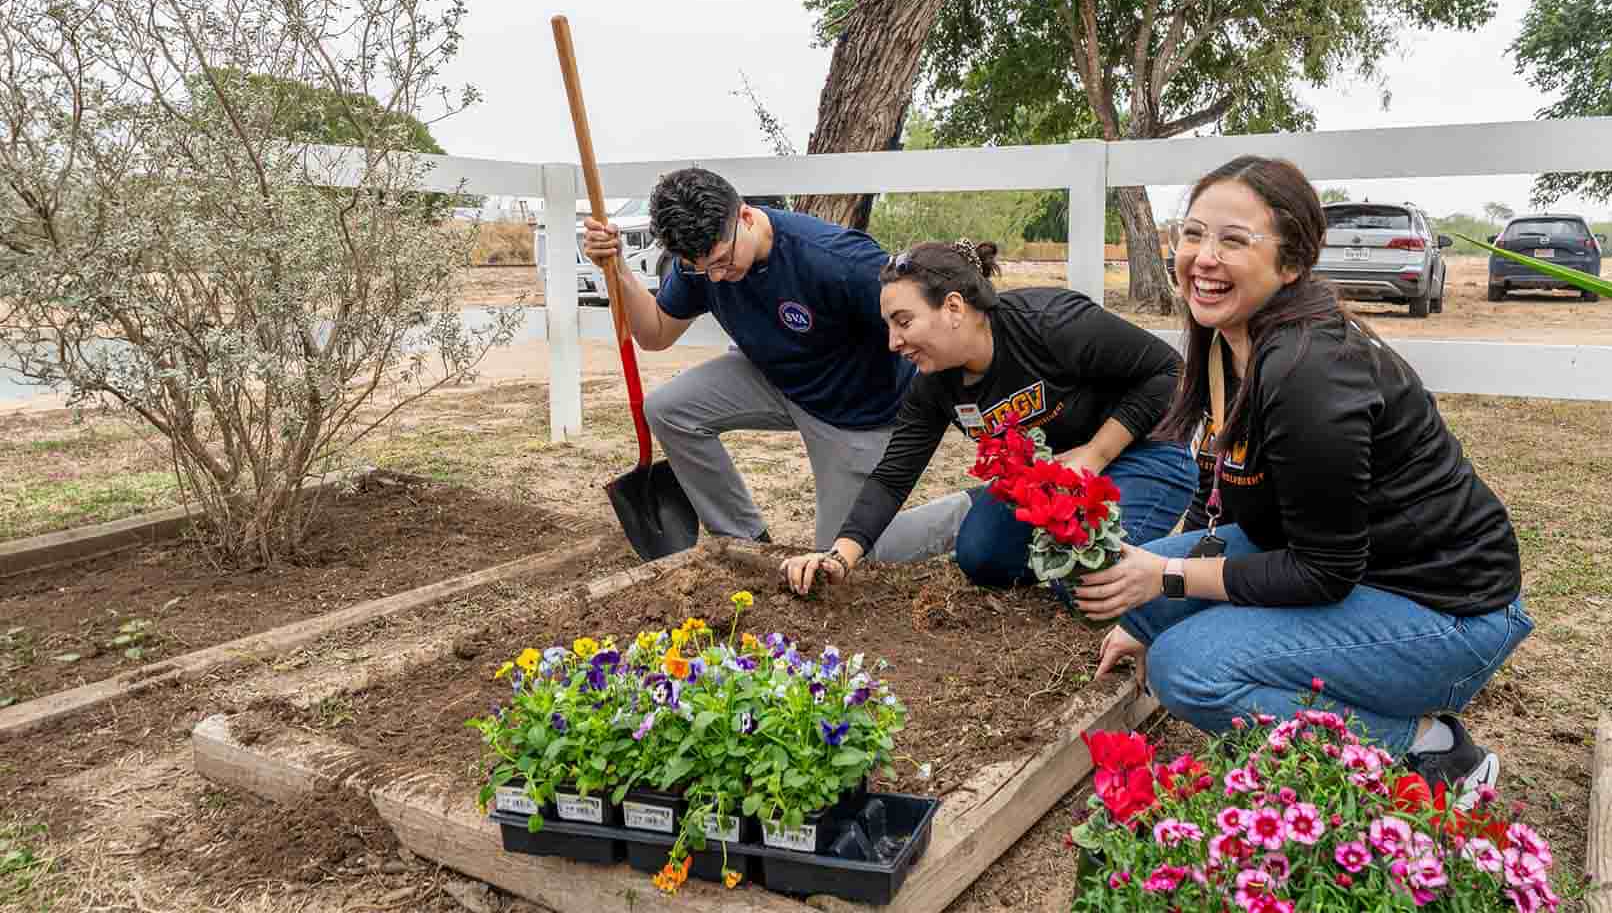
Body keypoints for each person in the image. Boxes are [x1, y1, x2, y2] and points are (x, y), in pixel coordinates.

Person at [1074, 155, 1532, 792]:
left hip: (1445, 611)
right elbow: (1233, 506)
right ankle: (1269, 662)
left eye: (1234, 241)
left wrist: (1171, 578)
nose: (1203, 257)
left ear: (1290, 265)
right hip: (1347, 565)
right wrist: (1156, 598)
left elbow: (1325, 570)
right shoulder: (1226, 341)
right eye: (1194, 233)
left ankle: (1430, 749)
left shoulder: (1308, 372)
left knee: (1187, 669)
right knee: (1143, 599)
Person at [781, 240, 1198, 596]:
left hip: (1144, 451)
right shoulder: (934, 385)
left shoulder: (1049, 323)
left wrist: (1096, 453)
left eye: (903, 322)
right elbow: (894, 474)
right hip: (1052, 479)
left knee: (1090, 588)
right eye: (889, 327)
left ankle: (1157, 557)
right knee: (980, 556)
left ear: (954, 307)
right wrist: (838, 557)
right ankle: (1015, 515)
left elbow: (1169, 371)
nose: (893, 342)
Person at [585, 167, 951, 553]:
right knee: (667, 409)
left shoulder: (838, 260)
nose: (717, 278)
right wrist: (618, 268)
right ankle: (745, 543)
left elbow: (929, 333)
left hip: (854, 411)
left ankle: (963, 515)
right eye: (703, 269)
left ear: (744, 216)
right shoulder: (703, 265)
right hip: (775, 379)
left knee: (849, 555)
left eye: (723, 261)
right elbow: (655, 333)